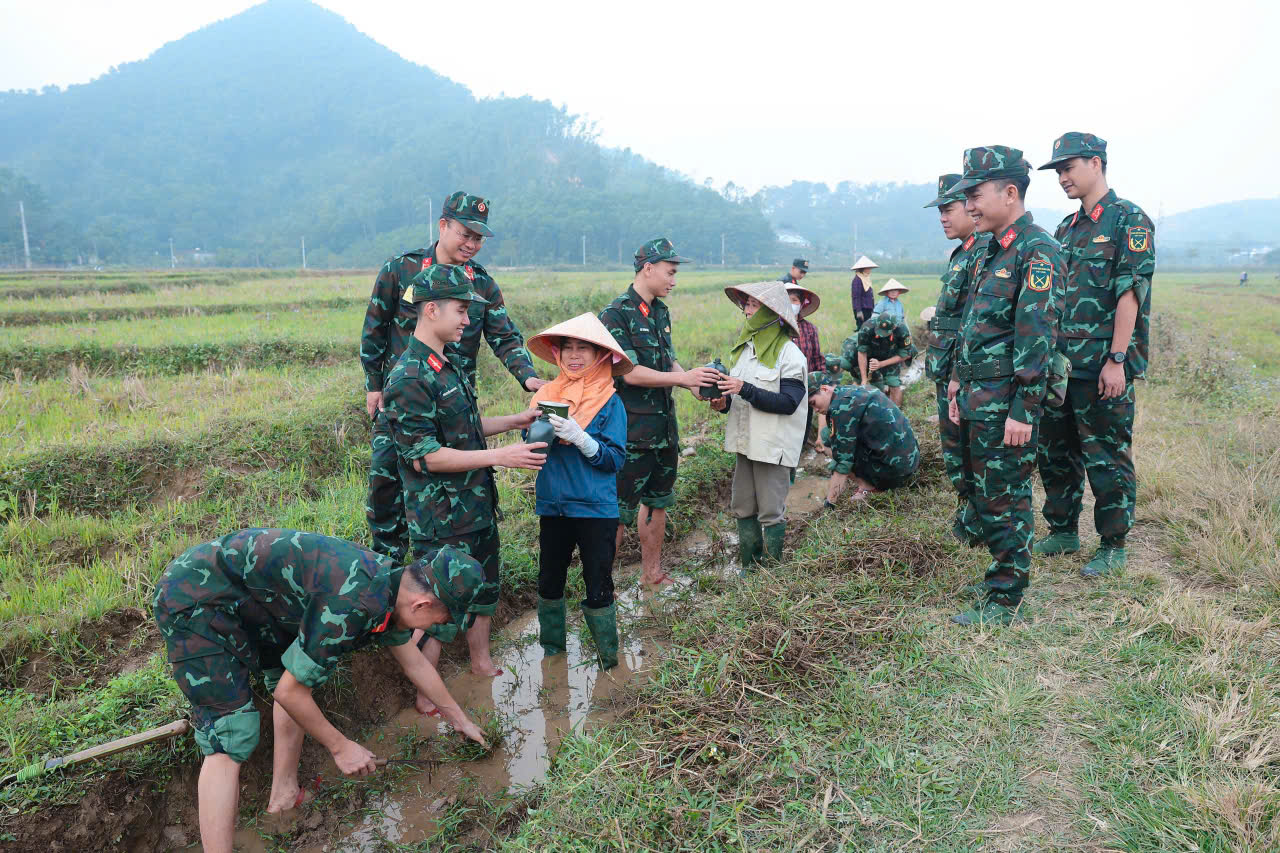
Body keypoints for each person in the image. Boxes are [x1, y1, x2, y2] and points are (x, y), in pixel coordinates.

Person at [151, 529, 492, 853]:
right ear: (422, 605)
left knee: (296, 675)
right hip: (197, 598)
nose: (440, 627)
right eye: (443, 620)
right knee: (230, 734)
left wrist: (459, 719)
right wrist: (341, 747)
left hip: (255, 604)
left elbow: (414, 663)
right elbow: (290, 694)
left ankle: (283, 794)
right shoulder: (353, 603)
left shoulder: (390, 587)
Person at [360, 192, 546, 563]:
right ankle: (389, 574)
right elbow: (375, 329)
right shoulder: (402, 270)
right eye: (466, 234)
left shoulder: (481, 285)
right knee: (386, 488)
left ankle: (448, 572)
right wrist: (374, 385)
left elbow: (504, 337)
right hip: (406, 400)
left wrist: (528, 378)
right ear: (443, 226)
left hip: (455, 404)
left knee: (452, 491)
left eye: (479, 238)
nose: (472, 244)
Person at [381, 264, 546, 682]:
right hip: (441, 517)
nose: (468, 321)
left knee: (485, 590)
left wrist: (514, 420)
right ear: (431, 310)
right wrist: (499, 457)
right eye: (461, 311)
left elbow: (464, 428)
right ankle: (423, 693)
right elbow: (426, 456)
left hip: (475, 505)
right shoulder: (408, 377)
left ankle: (480, 663)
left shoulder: (448, 362)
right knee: (439, 606)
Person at [946, 145, 1065, 626]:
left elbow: (1037, 339)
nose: (969, 205)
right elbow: (974, 326)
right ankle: (1001, 570)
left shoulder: (1038, 251)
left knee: (1006, 495)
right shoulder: (989, 251)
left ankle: (1007, 595)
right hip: (977, 395)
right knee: (986, 491)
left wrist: (1024, 409)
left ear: (1009, 192)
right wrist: (956, 381)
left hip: (1006, 404)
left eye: (975, 195)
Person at [1035, 132, 1155, 577]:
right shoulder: (1067, 229)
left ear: (1096, 163)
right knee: (1056, 452)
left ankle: (1112, 542)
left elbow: (1131, 293)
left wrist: (1117, 359)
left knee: (1107, 456)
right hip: (1064, 365)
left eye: (1069, 168)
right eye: (1058, 171)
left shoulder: (1129, 221)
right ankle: (1064, 529)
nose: (1062, 177)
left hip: (1104, 366)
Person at [599, 238, 721, 586]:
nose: (674, 280)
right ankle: (601, 588)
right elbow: (628, 371)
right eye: (670, 272)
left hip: (664, 430)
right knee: (617, 515)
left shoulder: (660, 311)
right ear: (648, 268)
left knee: (657, 503)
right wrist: (682, 379)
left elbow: (668, 358)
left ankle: (651, 573)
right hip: (630, 433)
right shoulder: (615, 314)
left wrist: (694, 383)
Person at [525, 313, 631, 669]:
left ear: (600, 355)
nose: (573, 355)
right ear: (557, 355)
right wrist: (538, 433)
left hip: (595, 508)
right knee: (549, 581)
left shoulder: (610, 401)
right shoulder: (546, 394)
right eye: (567, 348)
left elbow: (614, 458)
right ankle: (552, 657)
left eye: (582, 348)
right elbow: (529, 447)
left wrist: (582, 439)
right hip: (553, 506)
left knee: (597, 582)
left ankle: (608, 662)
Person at [706, 281, 808, 572]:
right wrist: (722, 403)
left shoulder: (790, 356)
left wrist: (744, 389)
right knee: (743, 506)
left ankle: (772, 572)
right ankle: (750, 568)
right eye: (746, 305)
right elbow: (737, 396)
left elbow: (788, 402)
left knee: (771, 511)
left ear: (770, 312)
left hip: (771, 445)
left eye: (752, 306)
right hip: (745, 443)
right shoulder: (742, 350)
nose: (747, 312)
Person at [923, 173, 991, 547]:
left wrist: (957, 373)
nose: (943, 218)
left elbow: (974, 320)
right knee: (954, 447)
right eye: (940, 211)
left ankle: (979, 518)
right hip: (946, 365)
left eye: (948, 209)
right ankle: (968, 510)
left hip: (963, 369)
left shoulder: (983, 250)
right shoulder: (962, 251)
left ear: (968, 205)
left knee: (968, 445)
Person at [808, 372, 920, 504]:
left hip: (896, 473)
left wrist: (830, 502)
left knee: (830, 442)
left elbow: (843, 462)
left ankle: (867, 487)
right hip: (912, 460)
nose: (815, 410)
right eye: (811, 407)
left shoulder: (841, 409)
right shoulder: (848, 391)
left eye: (813, 403)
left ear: (825, 389)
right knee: (828, 435)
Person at [786, 281, 824, 463]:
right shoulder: (774, 326)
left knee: (802, 428)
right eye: (786, 300)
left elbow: (817, 359)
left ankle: (794, 467)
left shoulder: (809, 329)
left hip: (805, 388)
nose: (790, 303)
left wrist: (820, 384)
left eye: (794, 300)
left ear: (802, 304)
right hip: (781, 389)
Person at [857, 311, 917, 408]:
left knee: (893, 383)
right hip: (871, 355)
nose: (881, 335)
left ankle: (896, 412)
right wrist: (864, 379)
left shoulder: (902, 330)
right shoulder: (867, 327)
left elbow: (905, 355)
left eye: (884, 333)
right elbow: (861, 352)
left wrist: (881, 364)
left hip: (891, 356)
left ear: (893, 327)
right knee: (873, 386)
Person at [849, 256, 878, 328]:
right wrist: (859, 311)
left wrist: (872, 309)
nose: (870, 269)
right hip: (862, 310)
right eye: (868, 267)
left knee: (869, 330)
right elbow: (856, 297)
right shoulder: (857, 280)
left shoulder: (866, 278)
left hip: (868, 308)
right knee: (862, 330)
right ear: (863, 268)